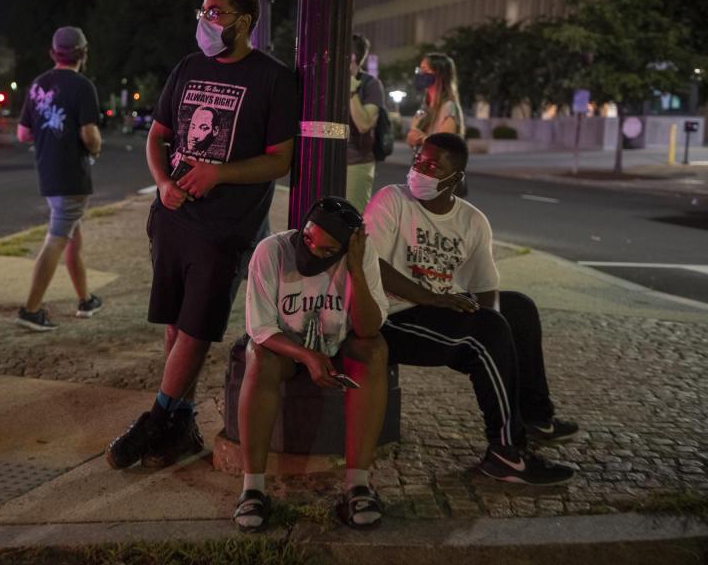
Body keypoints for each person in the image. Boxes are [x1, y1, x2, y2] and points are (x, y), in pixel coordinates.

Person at [105, 0, 298, 470]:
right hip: (173, 219)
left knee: (195, 329)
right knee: (175, 327)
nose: (205, 21)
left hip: (227, 227)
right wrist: (162, 184)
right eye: (203, 11)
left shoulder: (273, 79)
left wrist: (219, 173)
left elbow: (280, 161)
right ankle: (182, 424)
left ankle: (155, 419)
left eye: (216, 13)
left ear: (244, 21)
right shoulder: (188, 68)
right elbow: (158, 136)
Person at [364, 132, 579, 485]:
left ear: (455, 178)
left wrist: (494, 320)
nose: (421, 169)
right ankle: (506, 454)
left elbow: (485, 287)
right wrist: (434, 299)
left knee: (518, 309)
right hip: (394, 316)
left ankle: (535, 416)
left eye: (433, 165)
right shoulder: (392, 200)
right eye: (419, 159)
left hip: (446, 307)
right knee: (486, 333)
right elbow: (372, 264)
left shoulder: (472, 220)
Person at [233, 197, 391, 532]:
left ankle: (357, 485)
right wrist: (307, 356)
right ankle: (253, 488)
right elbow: (260, 329)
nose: (312, 251)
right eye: (308, 238)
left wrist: (356, 271)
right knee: (258, 357)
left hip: (337, 342)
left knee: (376, 350)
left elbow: (368, 328)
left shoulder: (361, 256)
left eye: (324, 250)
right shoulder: (271, 251)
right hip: (285, 347)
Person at [15, 26, 104, 332]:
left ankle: (85, 299)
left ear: (54, 53)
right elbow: (89, 134)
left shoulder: (38, 84)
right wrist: (96, 147)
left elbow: (23, 132)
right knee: (56, 241)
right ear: (82, 54)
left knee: (71, 239)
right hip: (72, 175)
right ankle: (31, 309)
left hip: (48, 172)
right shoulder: (82, 86)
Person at [346, 33, 387, 213]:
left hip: (356, 163)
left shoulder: (370, 85)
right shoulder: (328, 81)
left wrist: (352, 90)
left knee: (352, 218)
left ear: (352, 57)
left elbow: (363, 124)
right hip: (326, 160)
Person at [406, 53, 465, 149]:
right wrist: (412, 138)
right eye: (420, 69)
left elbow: (445, 144)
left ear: (439, 74)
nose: (420, 74)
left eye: (425, 70)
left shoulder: (449, 107)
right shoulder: (425, 106)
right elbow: (413, 139)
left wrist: (422, 138)